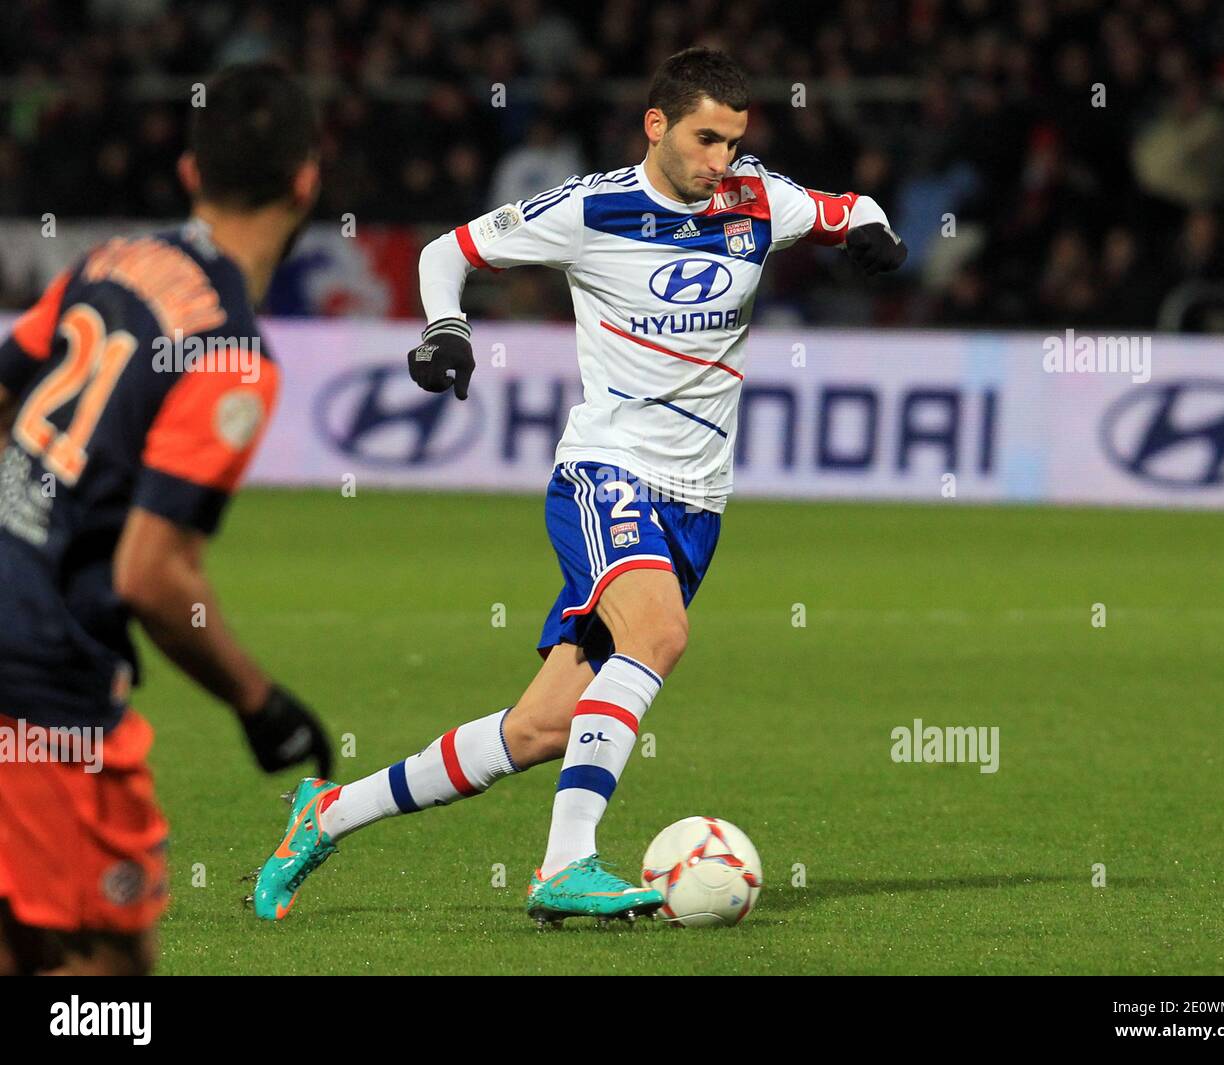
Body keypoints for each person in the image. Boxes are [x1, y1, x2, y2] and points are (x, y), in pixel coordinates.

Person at [253, 47, 906, 928]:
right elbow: (449, 250)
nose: (722, 162)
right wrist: (446, 328)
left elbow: (844, 207)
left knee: (539, 729)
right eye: (706, 139)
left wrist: (874, 230)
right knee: (661, 633)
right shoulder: (591, 207)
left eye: (735, 141)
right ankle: (566, 863)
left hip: (698, 503)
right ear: (657, 125)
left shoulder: (755, 197)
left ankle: (326, 813)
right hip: (608, 471)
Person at [0, 63, 332, 974]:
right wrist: (259, 703)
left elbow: (9, 377)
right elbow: (151, 574)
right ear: (309, 179)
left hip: (17, 620)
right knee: (111, 963)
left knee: (27, 940)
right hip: (43, 673)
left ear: (190, 171)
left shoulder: (113, 259)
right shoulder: (231, 354)